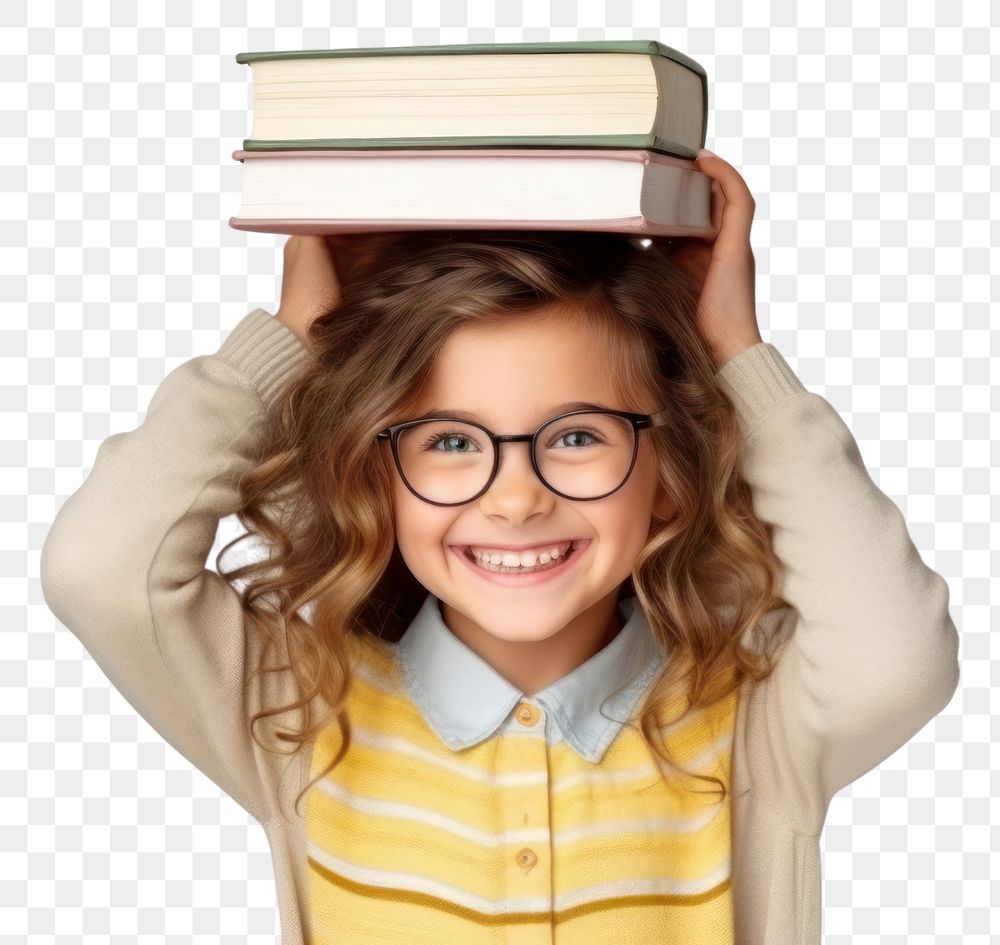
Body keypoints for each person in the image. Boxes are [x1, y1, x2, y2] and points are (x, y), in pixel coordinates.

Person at [39, 151, 960, 945]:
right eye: (448, 441)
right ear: (378, 477)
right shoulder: (300, 710)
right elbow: (101, 568)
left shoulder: (750, 727)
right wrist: (288, 337)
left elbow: (897, 655)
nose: (516, 497)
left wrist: (737, 358)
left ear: (668, 470)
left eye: (576, 436)